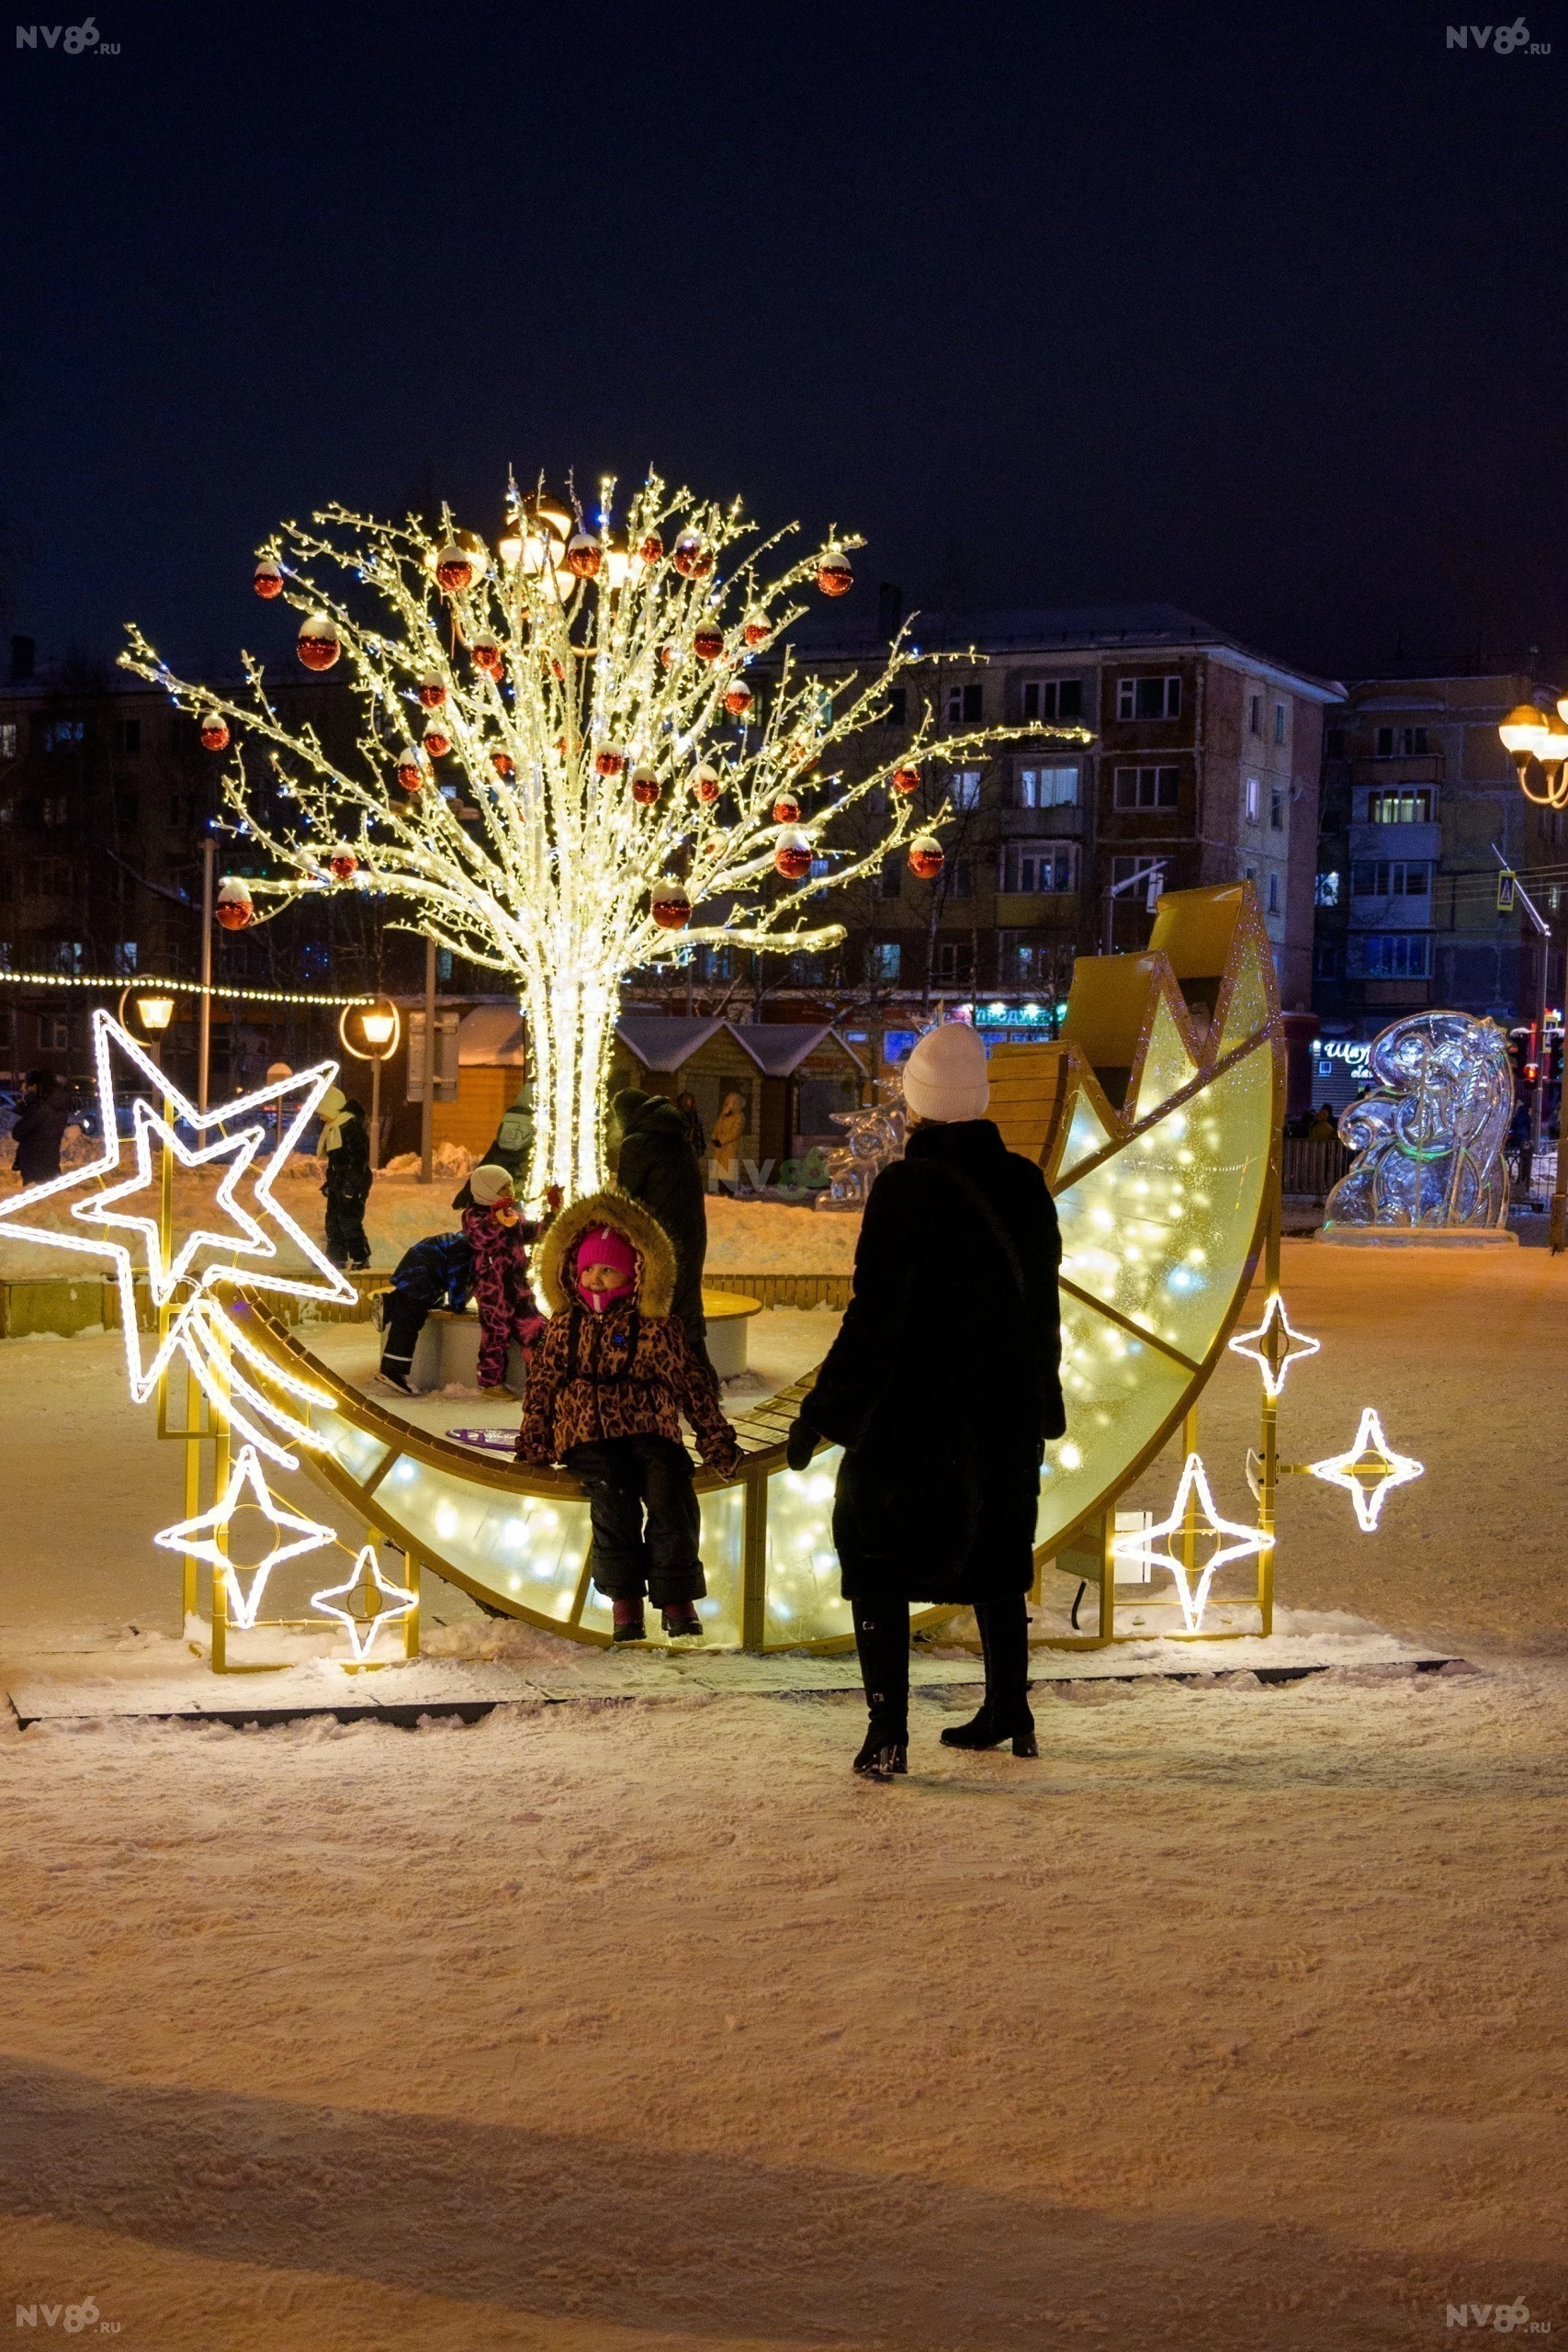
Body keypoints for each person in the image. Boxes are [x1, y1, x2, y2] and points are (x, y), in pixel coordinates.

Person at [785, 1022, 1064, 1780]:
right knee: (996, 1562)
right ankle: (1010, 1707)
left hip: (916, 1420)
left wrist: (823, 1413)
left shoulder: (906, 1190)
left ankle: (887, 1732)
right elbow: (1042, 1307)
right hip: (1000, 1414)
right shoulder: (1024, 1184)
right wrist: (1044, 1400)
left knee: (876, 1560)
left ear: (916, 1102)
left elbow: (874, 1318)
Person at [516, 1190, 741, 1644]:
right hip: (587, 1435)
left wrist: (714, 1437)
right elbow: (542, 1386)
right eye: (588, 1269)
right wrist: (533, 1438)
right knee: (612, 1496)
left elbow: (690, 1383)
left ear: (633, 1273)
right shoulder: (564, 1326)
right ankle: (625, 1601)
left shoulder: (652, 1326)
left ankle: (677, 1597)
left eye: (607, 1269)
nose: (595, 1278)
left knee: (669, 1489)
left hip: (649, 1428)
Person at [612, 1085, 709, 1353]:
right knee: (685, 1309)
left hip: (660, 1240)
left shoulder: (637, 1144)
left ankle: (667, 1377)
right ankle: (702, 1382)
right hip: (691, 1234)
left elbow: (625, 1200)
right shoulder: (678, 1137)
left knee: (653, 1312)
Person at [461, 1163, 547, 1399]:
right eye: (503, 1189)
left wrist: (549, 1221)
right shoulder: (473, 1216)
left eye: (510, 1186)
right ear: (487, 1191)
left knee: (537, 1327)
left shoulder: (512, 1215)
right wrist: (495, 1219)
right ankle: (491, 1383)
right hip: (493, 1288)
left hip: (518, 1286)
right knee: (496, 1334)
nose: (510, 1192)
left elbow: (529, 1232)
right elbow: (482, 1238)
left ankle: (542, 1377)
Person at [376, 1229, 475, 1396]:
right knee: (409, 1320)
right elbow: (457, 1279)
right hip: (420, 1276)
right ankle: (392, 1370)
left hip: (415, 1268)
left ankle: (389, 1303)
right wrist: (458, 1306)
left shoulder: (464, 1240)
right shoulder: (466, 1249)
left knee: (408, 1304)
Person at [318, 1087, 373, 1271]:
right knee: (333, 1220)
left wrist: (351, 1185)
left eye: (322, 1112)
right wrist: (331, 1183)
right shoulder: (334, 1128)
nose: (320, 1117)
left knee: (349, 1220)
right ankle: (336, 1257)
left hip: (354, 1182)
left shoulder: (351, 1129)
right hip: (339, 1181)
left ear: (332, 1108)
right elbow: (336, 1161)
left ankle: (361, 1257)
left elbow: (358, 1160)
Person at [10, 1069, 73, 1187]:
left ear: (37, 1086)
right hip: (50, 1161)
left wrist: (26, 1104)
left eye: (30, 1085)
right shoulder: (59, 1107)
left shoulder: (40, 1108)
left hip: (34, 1164)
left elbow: (17, 1133)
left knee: (38, 1202)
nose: (28, 1089)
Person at [709, 1091, 746, 1189]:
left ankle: (729, 1194)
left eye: (731, 1101)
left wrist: (721, 1140)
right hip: (720, 1150)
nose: (728, 1103)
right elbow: (717, 1127)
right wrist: (714, 1138)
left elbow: (735, 1133)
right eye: (728, 1101)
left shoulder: (739, 1116)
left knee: (728, 1175)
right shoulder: (723, 1115)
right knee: (720, 1175)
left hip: (730, 1149)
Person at [676, 1089, 706, 1155]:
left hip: (694, 1144)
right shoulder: (681, 1114)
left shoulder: (696, 1115)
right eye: (688, 1099)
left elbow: (700, 1130)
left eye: (691, 1099)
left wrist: (702, 1146)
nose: (690, 1101)